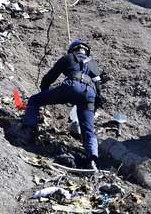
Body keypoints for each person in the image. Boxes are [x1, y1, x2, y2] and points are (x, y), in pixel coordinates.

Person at [22, 39, 103, 169]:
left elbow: (50, 76)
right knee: (88, 128)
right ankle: (92, 159)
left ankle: (27, 132)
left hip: (71, 87)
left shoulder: (68, 57)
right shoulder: (94, 64)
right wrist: (92, 108)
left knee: (34, 100)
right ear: (86, 51)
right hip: (90, 95)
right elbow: (98, 90)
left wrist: (44, 92)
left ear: (72, 49)